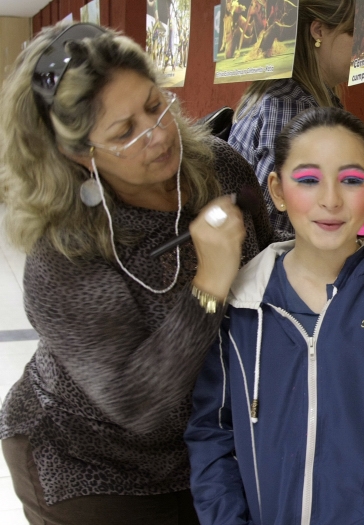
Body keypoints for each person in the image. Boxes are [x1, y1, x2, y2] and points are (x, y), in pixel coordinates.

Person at [0, 22, 271, 524]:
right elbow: (137, 403)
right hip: (91, 463)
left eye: (155, 104)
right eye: (124, 132)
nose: (159, 134)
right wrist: (208, 282)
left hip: (207, 445)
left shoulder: (219, 168)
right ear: (78, 153)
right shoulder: (62, 255)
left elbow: (274, 263)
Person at [185, 107, 364, 524]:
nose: (330, 199)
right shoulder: (240, 306)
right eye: (307, 180)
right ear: (278, 190)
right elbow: (212, 434)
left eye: (351, 179)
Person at [228, 0, 353, 241]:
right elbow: (270, 221)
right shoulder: (292, 105)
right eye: (354, 33)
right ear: (318, 31)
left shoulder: (300, 95)